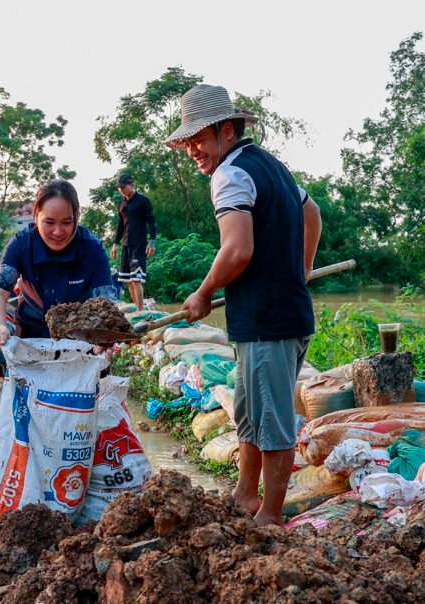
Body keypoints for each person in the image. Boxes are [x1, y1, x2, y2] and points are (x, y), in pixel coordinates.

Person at [165, 84, 321, 527]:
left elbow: (237, 251)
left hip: (270, 321)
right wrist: (302, 268)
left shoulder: (230, 174)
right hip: (268, 318)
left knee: (271, 422)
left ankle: (270, 516)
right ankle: (243, 495)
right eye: (188, 141)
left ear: (227, 130)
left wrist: (202, 292)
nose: (193, 150)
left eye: (198, 139)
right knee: (249, 411)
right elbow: (312, 215)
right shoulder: (271, 166)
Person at [0, 179, 116, 346]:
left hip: (82, 336)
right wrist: (0, 326)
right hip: (31, 334)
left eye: (67, 222)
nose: (58, 232)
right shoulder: (21, 244)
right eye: (49, 222)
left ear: (77, 217)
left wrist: (104, 338)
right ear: (36, 216)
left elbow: (106, 304)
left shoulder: (92, 248)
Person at [111, 173, 156, 310]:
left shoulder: (143, 201)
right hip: (126, 245)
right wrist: (115, 244)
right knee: (127, 280)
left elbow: (152, 222)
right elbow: (120, 225)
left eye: (123, 187)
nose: (121, 190)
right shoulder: (121, 203)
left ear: (132, 185)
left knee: (136, 280)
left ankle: (141, 311)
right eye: (119, 188)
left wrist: (152, 241)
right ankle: (138, 308)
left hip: (139, 245)